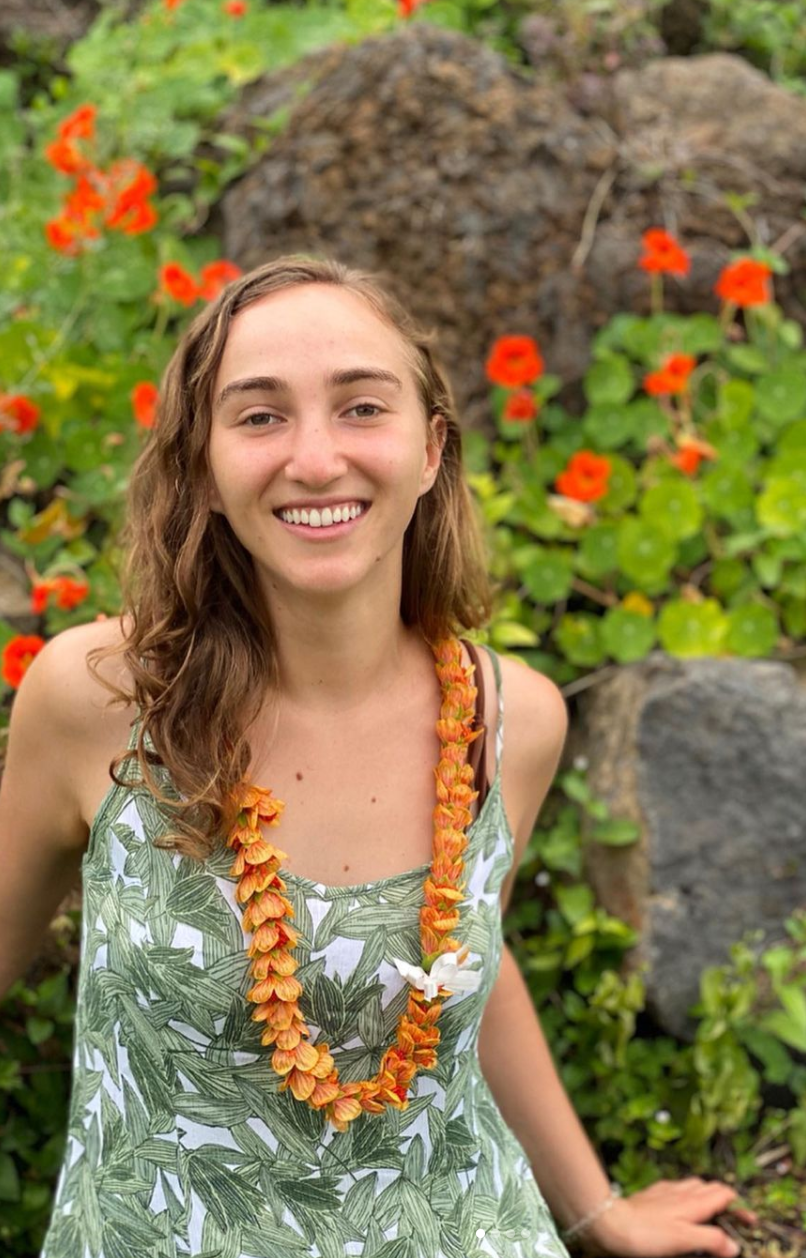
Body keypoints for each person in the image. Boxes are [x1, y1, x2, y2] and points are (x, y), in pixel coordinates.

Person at [1, 255, 742, 1258]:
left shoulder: (506, 718)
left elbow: (463, 961)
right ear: (203, 470)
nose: (314, 459)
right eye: (259, 416)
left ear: (430, 449)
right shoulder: (97, 701)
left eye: (360, 407)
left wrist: (595, 1211)